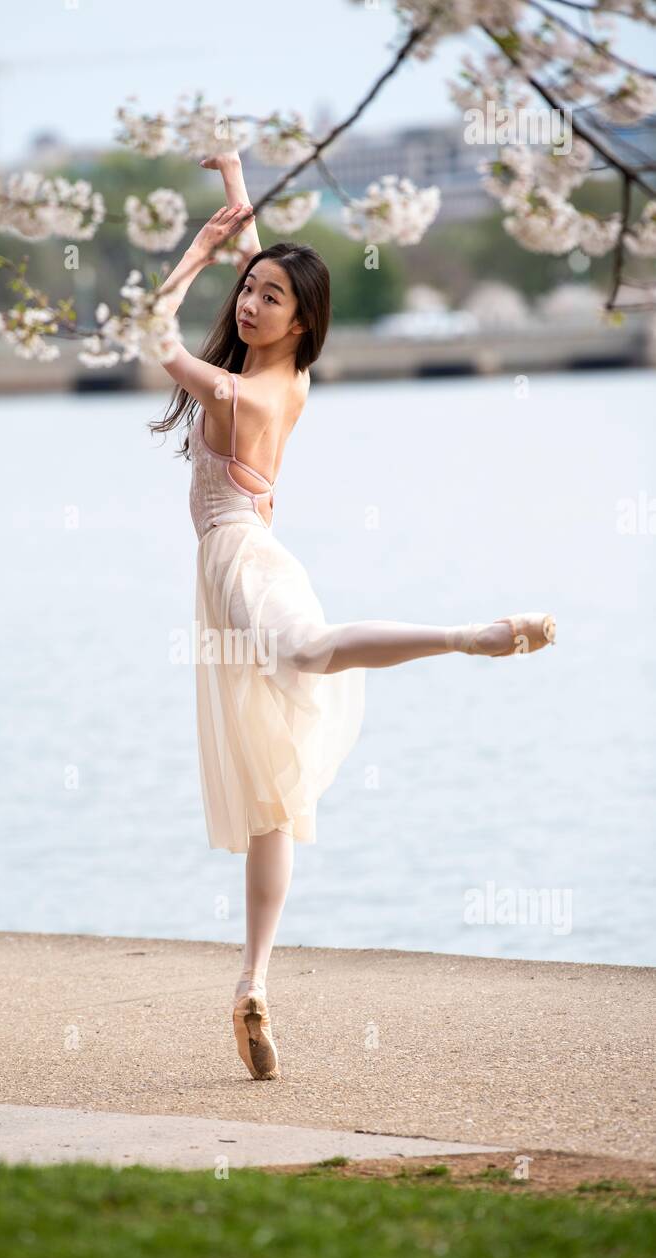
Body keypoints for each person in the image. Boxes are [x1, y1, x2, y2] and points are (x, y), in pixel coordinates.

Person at [150, 151, 555, 1082]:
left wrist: (195, 254)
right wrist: (235, 187)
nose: (250, 304)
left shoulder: (239, 390)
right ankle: (252, 982)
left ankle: (469, 636)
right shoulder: (289, 375)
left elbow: (150, 334)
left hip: (239, 560)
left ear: (301, 322)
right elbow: (268, 267)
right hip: (246, 563)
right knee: (272, 794)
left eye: (270, 299)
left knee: (308, 651)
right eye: (247, 291)